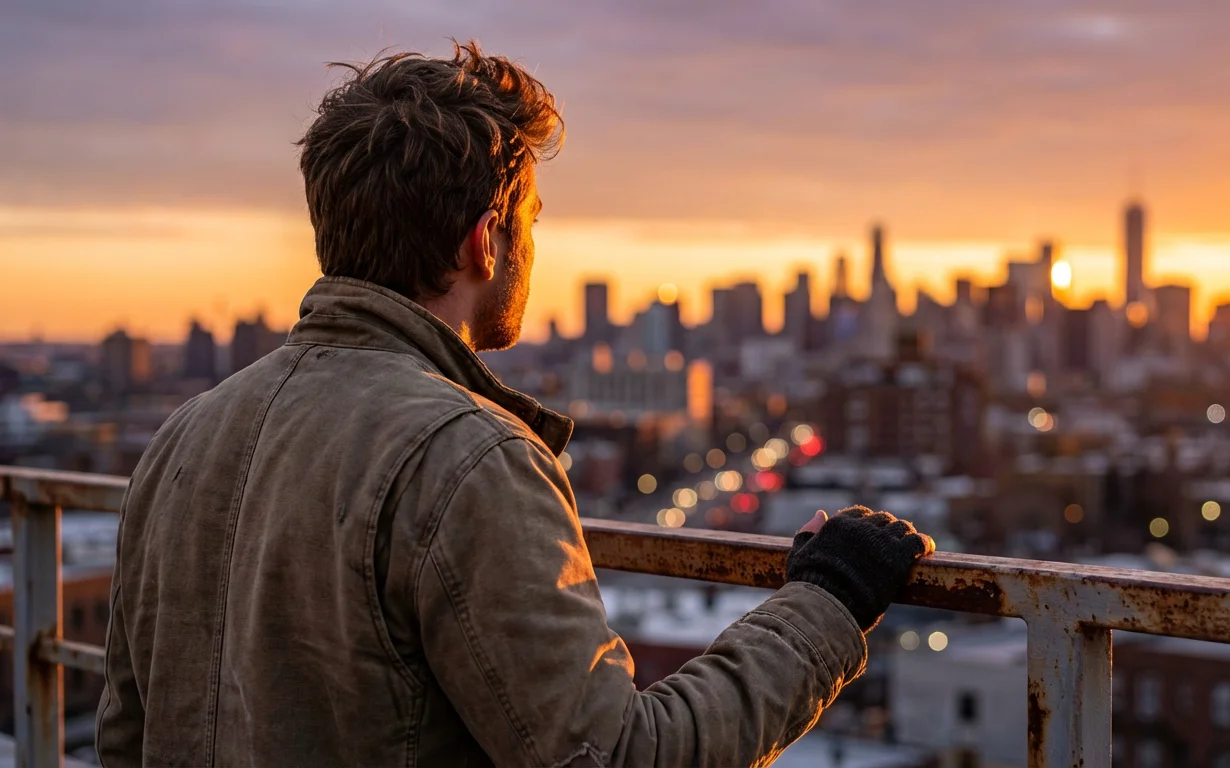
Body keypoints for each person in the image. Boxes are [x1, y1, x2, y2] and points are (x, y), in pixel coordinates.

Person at [96, 42, 935, 767]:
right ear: (485, 236)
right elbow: (616, 755)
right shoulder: (466, 458)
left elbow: (125, 739)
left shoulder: (184, 438)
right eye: (530, 221)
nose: (531, 249)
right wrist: (826, 602)